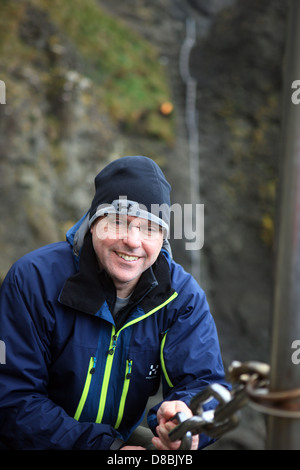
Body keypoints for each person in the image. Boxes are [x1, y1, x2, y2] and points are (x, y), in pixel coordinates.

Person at [0, 155, 228, 450]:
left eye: (149, 228)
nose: (133, 241)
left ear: (163, 239)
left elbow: (208, 386)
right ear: (94, 223)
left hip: (119, 437)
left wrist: (187, 418)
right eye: (119, 222)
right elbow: (12, 399)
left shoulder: (181, 296)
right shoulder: (34, 279)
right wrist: (108, 450)